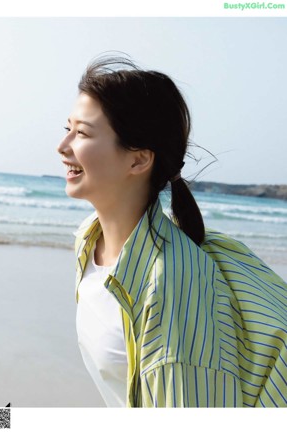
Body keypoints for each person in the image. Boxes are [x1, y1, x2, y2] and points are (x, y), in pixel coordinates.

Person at [57, 54, 287, 408]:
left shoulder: (171, 291)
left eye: (83, 133)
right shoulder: (90, 239)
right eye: (67, 128)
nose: (63, 146)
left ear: (138, 159)